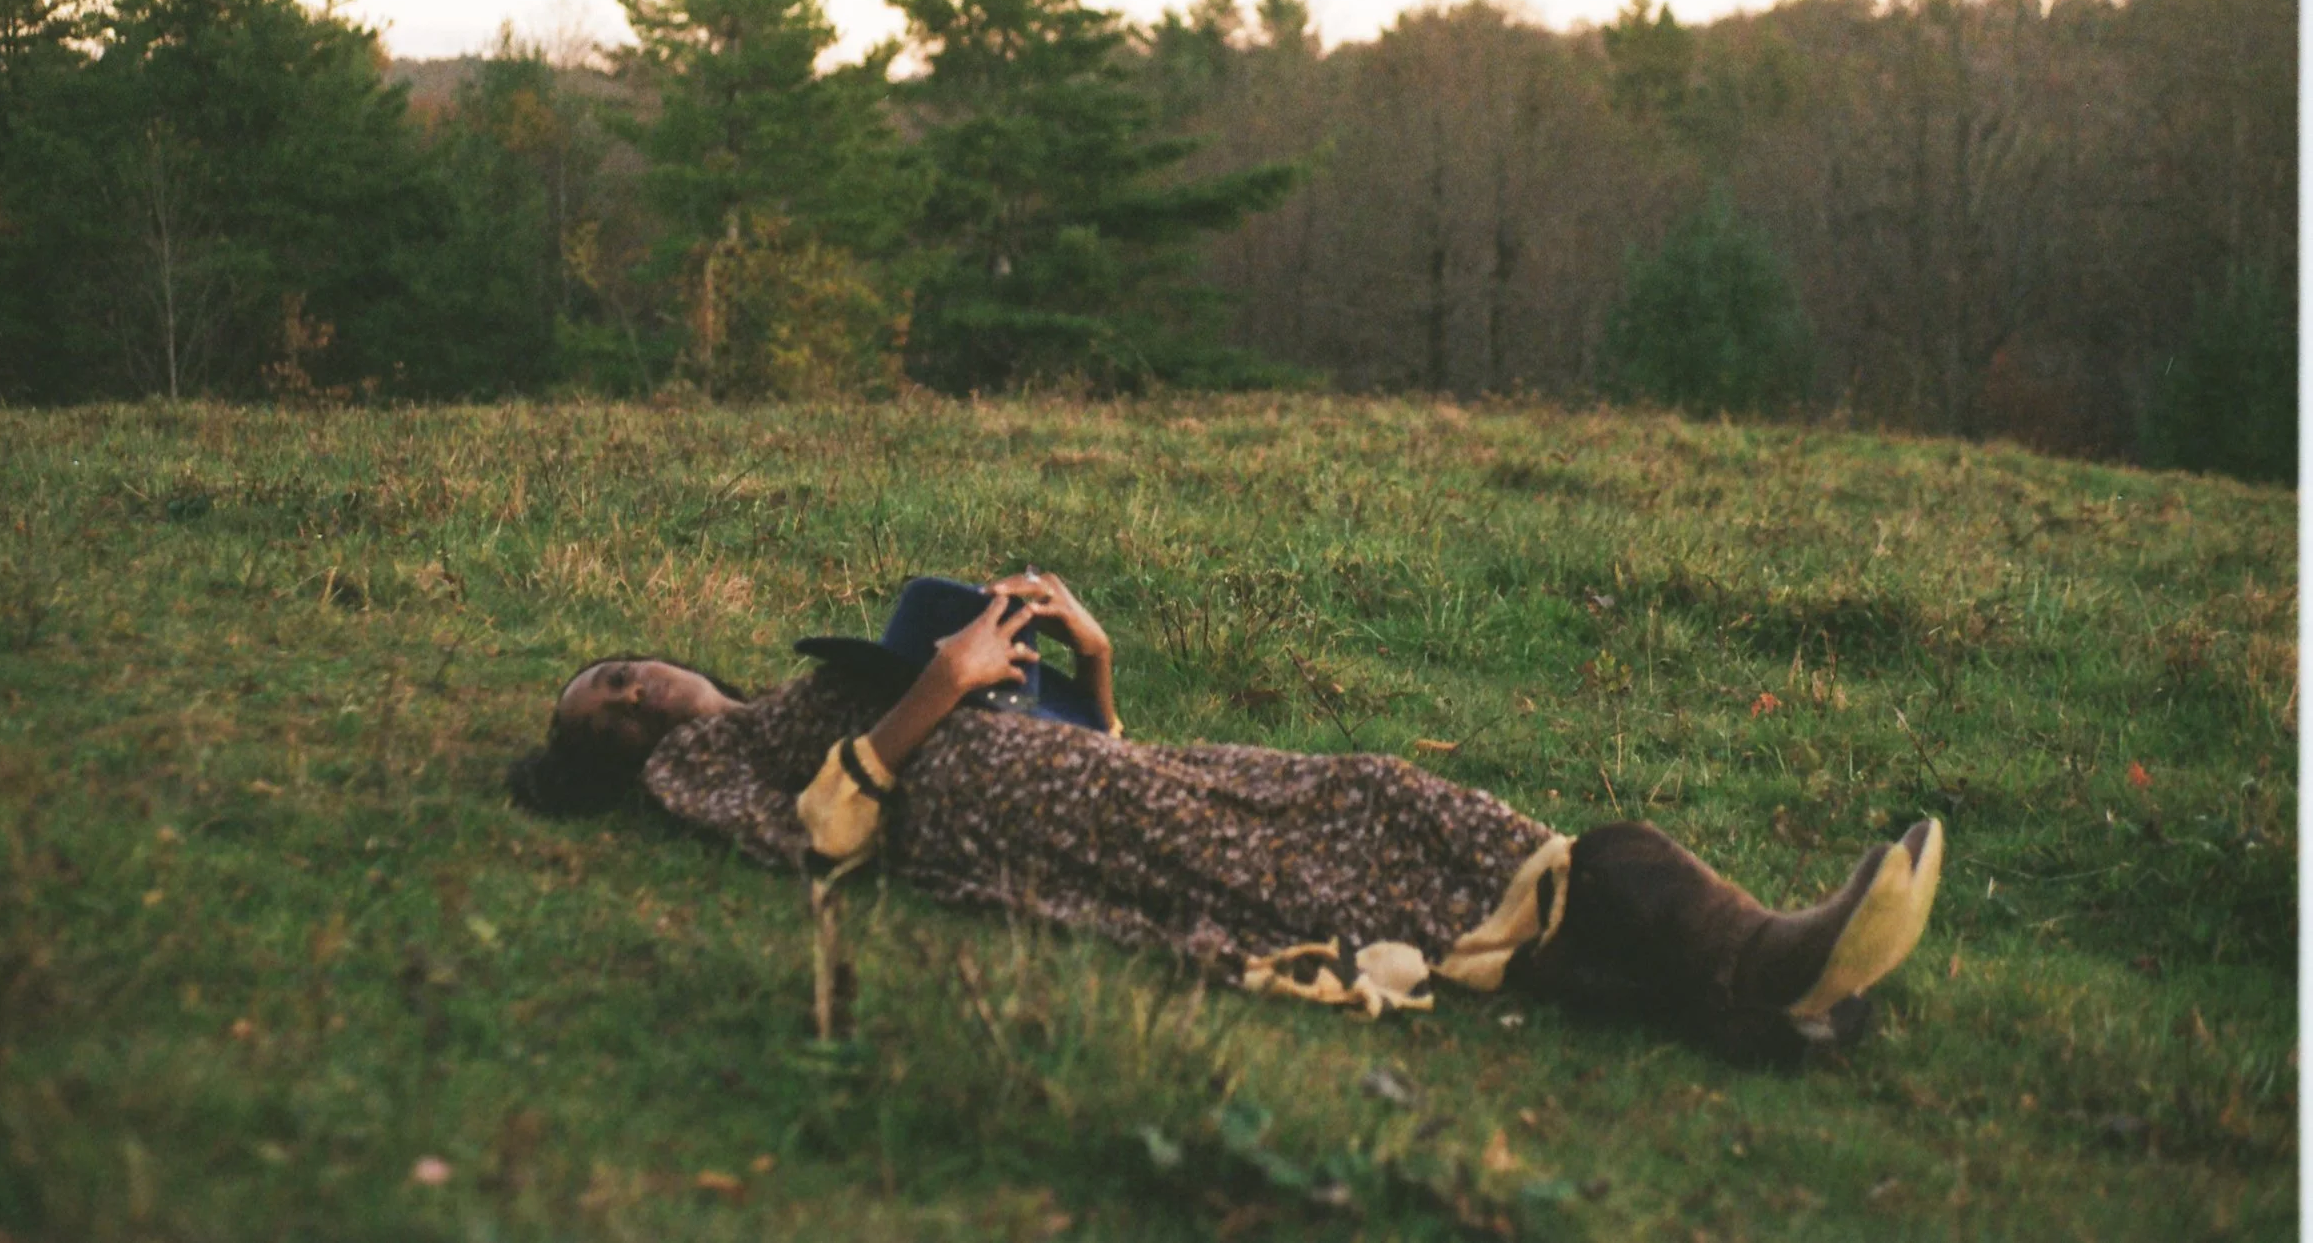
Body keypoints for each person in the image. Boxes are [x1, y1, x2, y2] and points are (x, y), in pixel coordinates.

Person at [508, 572, 1943, 1065]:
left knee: (1376, 787)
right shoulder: (701, 765)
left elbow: (1083, 739)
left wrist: (1096, 662)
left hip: (1089, 773)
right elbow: (819, 845)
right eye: (605, 712)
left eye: (622, 672)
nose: (632, 698)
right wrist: (933, 693)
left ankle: (1762, 966)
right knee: (1327, 879)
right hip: (1005, 820)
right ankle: (1754, 971)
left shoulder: (787, 682)